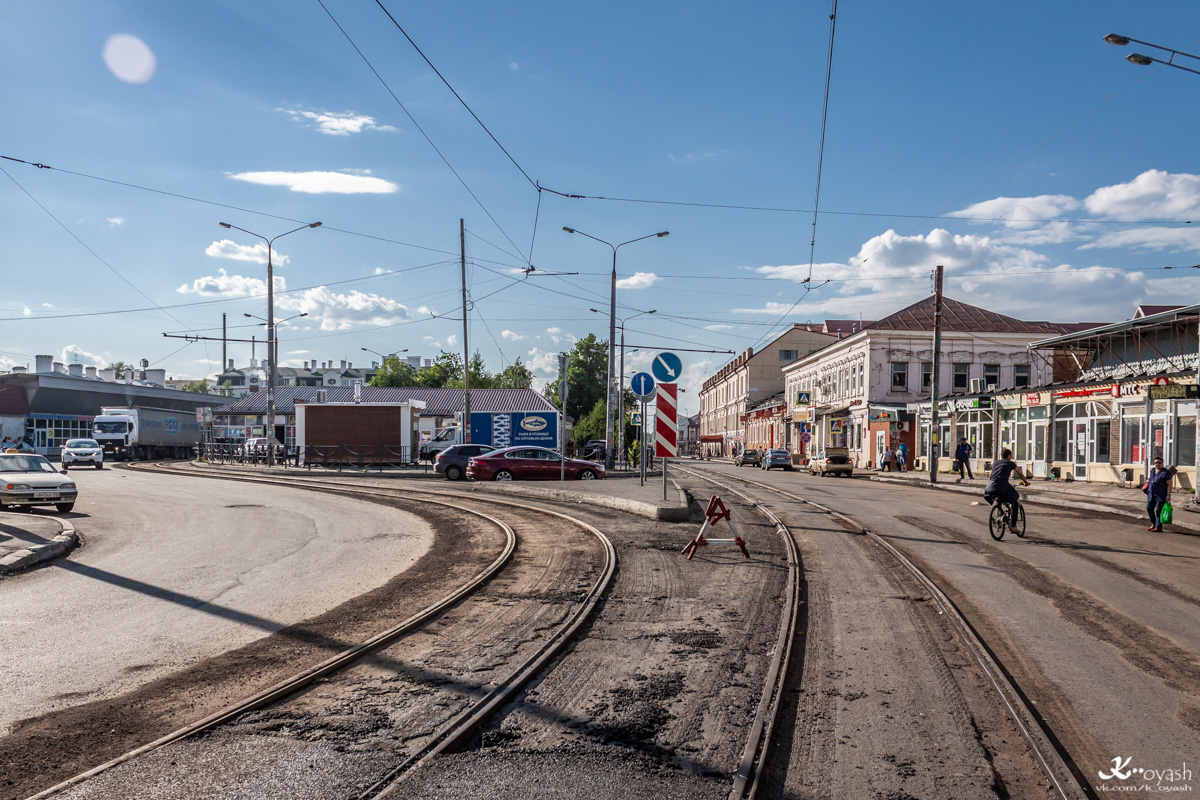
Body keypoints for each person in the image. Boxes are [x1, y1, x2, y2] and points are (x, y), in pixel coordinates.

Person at [984, 448, 1029, 527]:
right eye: (1011, 455)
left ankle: (1000, 513)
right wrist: (1026, 482)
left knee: (999, 498)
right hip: (1002, 485)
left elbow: (990, 476)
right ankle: (1013, 525)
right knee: (1015, 500)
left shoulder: (995, 463)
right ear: (1008, 456)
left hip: (989, 487)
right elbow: (1020, 474)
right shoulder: (1010, 463)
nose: (1011, 457)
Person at [1145, 457, 1173, 532]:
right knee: (1149, 508)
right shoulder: (1153, 470)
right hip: (1151, 494)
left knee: (1158, 510)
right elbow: (1151, 478)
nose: (1157, 464)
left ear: (1162, 463)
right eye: (1156, 463)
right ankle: (1153, 523)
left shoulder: (1166, 472)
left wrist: (1168, 495)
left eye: (1159, 462)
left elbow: (1169, 484)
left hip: (1161, 495)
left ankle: (1158, 527)